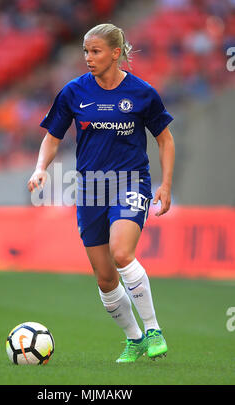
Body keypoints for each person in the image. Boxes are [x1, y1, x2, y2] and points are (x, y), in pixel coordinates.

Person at [27, 23, 175, 363]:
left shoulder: (142, 93)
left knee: (122, 254)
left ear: (115, 53)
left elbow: (164, 139)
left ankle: (153, 329)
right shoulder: (73, 92)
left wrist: (165, 185)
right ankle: (134, 338)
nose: (88, 58)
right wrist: (40, 168)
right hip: (90, 188)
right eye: (85, 51)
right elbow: (53, 137)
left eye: (95, 51)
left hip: (130, 182)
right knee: (106, 278)